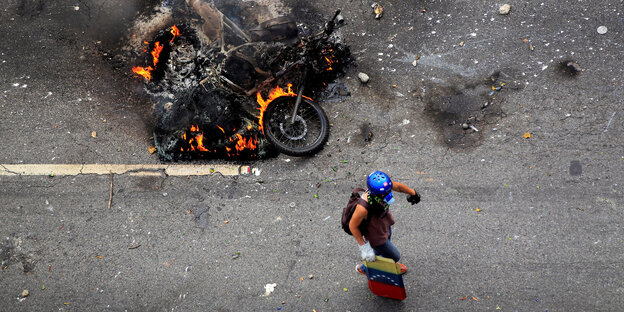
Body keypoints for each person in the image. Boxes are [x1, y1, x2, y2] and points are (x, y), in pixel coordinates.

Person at [349, 171, 420, 275]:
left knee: (380, 250)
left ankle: (368, 267)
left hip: (384, 224)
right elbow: (353, 225)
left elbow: (398, 187)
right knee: (395, 256)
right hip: (376, 235)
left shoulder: (382, 188)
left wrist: (413, 193)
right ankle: (369, 268)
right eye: (384, 194)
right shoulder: (362, 208)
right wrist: (364, 248)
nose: (388, 194)